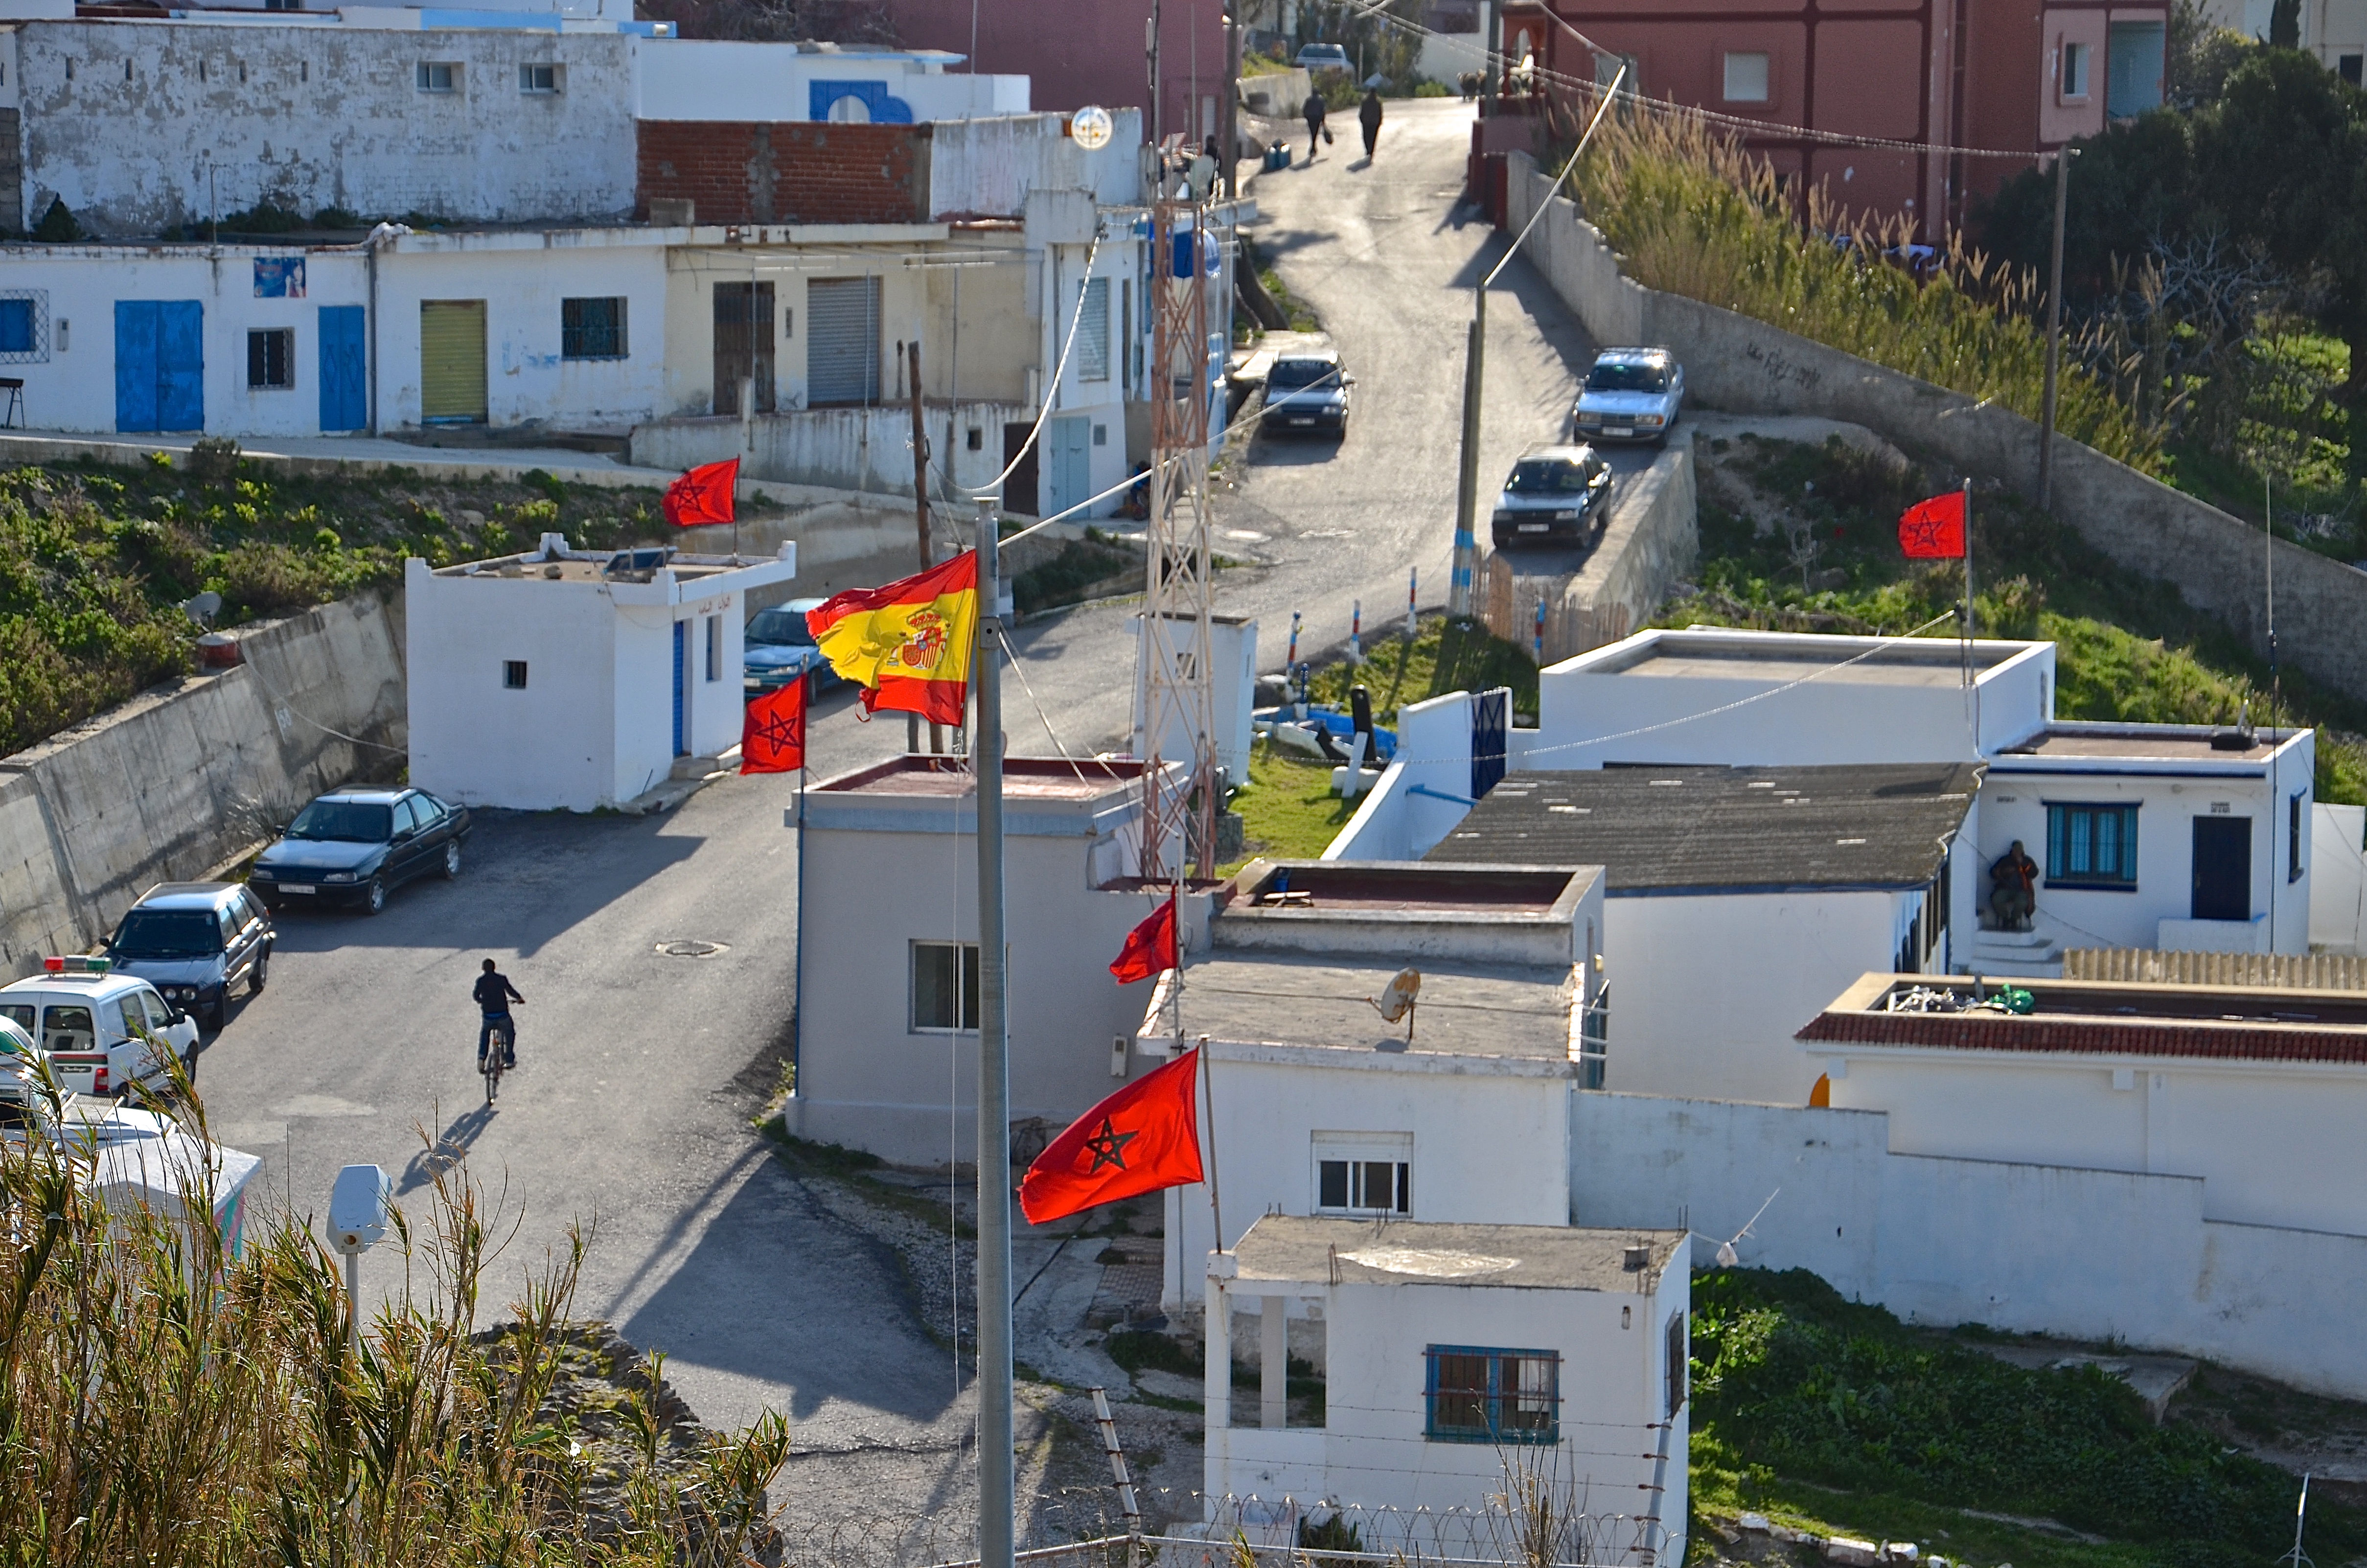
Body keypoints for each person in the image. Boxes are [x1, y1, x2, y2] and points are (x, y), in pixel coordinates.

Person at [473, 957, 523, 1070]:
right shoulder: (501, 979)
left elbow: (476, 996)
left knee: (485, 1034)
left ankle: (481, 1058)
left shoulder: (480, 981)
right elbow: (511, 991)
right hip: (502, 1014)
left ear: (483, 969)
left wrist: (482, 1001)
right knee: (509, 1033)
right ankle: (509, 1059)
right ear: (494, 968)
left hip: (488, 1015)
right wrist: (519, 998)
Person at [1989, 841, 2038, 931]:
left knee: (2022, 902)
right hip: (2005, 889)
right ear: (2012, 850)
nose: (2017, 852)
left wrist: (2023, 864)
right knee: (1996, 899)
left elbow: (2035, 873)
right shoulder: (2005, 860)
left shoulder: (2027, 861)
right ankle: (2005, 918)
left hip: (2021, 890)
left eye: (2019, 850)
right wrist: (2004, 872)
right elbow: (1992, 873)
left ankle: (2014, 920)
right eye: (2016, 850)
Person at [1358, 88, 1384, 159]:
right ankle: (1371, 151)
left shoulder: (1365, 101)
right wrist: (1380, 122)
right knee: (1373, 138)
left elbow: (1361, 113)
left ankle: (1368, 150)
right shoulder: (1378, 102)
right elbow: (1380, 113)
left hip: (1366, 122)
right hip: (1375, 123)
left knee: (1366, 137)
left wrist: (1362, 120)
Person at [1302, 91, 1327, 163]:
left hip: (1310, 119)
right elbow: (1323, 111)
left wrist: (1307, 117)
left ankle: (1313, 148)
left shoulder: (1308, 100)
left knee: (1312, 133)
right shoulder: (1321, 100)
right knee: (1315, 133)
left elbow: (1304, 110)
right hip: (1317, 119)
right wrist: (1323, 121)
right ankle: (1313, 148)